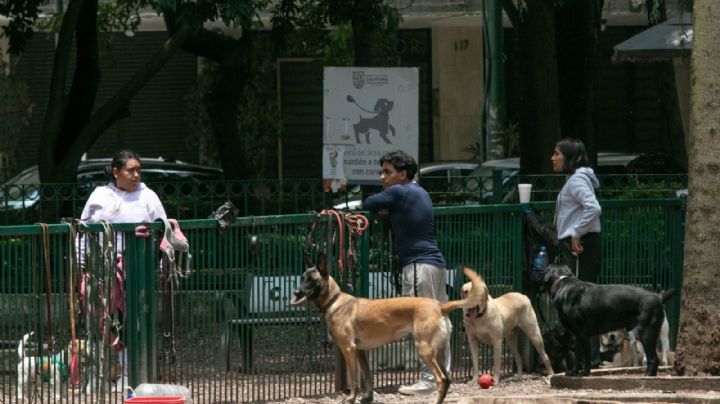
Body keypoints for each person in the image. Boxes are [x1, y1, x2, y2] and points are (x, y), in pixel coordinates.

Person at [363, 150, 449, 396]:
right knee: (439, 322)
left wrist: (385, 207)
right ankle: (442, 376)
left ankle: (429, 380)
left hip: (417, 266)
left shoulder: (399, 191)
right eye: (381, 172)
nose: (382, 177)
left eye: (387, 172)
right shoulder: (420, 192)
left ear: (402, 175)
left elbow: (369, 203)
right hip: (436, 265)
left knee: (421, 325)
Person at [79, 150, 167, 391]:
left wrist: (159, 268)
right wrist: (79, 266)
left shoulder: (148, 197)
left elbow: (162, 234)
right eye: (131, 170)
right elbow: (83, 232)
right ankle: (97, 378)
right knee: (98, 324)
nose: (136, 174)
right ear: (116, 172)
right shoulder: (99, 196)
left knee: (129, 324)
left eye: (139, 169)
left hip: (135, 270)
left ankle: (128, 376)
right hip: (100, 269)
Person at [551, 138, 602, 367]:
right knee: (580, 300)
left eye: (557, 154)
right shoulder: (573, 179)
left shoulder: (577, 181)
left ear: (569, 157)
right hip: (576, 243)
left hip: (579, 246)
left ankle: (587, 358)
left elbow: (594, 207)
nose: (553, 158)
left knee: (579, 301)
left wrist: (576, 233)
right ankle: (586, 357)